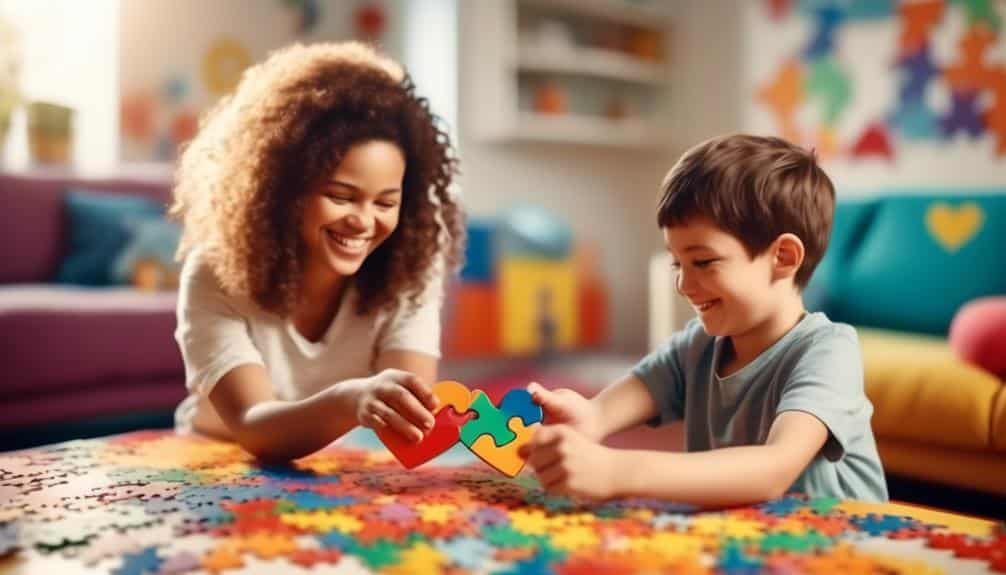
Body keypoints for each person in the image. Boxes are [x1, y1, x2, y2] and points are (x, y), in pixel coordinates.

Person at [521, 134, 888, 506]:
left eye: (703, 262)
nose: (683, 284)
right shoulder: (696, 347)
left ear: (784, 257)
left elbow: (773, 469)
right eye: (677, 263)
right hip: (755, 550)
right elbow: (612, 405)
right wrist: (588, 416)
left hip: (846, 545)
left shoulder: (828, 351)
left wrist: (617, 472)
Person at [170, 42, 465, 462]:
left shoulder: (410, 269)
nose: (363, 221)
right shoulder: (215, 272)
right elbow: (255, 427)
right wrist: (350, 401)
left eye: (385, 203)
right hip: (214, 461)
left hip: (329, 466)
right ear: (283, 187)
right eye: (342, 196)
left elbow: (410, 420)